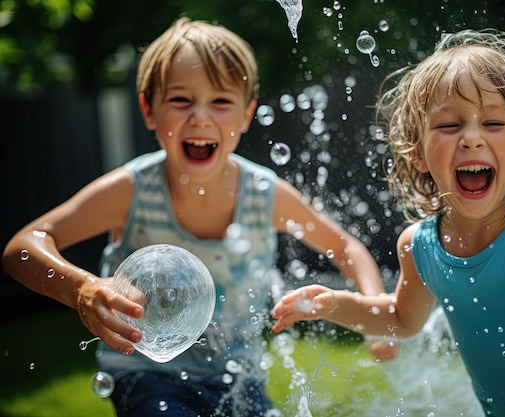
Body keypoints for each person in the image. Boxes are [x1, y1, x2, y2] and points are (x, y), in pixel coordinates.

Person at [1, 17, 394, 417]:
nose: (201, 117)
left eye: (221, 102)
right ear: (148, 109)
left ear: (245, 115)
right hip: (146, 371)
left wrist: (375, 312)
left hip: (238, 378)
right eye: (180, 101)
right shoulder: (132, 189)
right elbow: (22, 247)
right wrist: (81, 288)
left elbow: (345, 247)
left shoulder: (263, 194)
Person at [272, 28, 505, 417]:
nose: (471, 139)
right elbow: (401, 319)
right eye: (448, 126)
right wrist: (334, 304)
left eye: (493, 124)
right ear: (418, 154)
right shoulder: (419, 246)